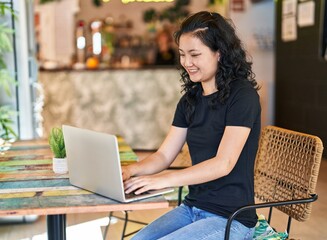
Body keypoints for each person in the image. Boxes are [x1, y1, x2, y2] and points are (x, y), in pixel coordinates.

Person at [123, 11, 261, 240]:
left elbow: (223, 164)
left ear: (219, 53)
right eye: (182, 54)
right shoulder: (190, 100)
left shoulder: (242, 96)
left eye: (194, 54)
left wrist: (165, 179)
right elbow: (164, 155)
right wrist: (130, 170)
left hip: (231, 219)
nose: (187, 63)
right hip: (191, 209)